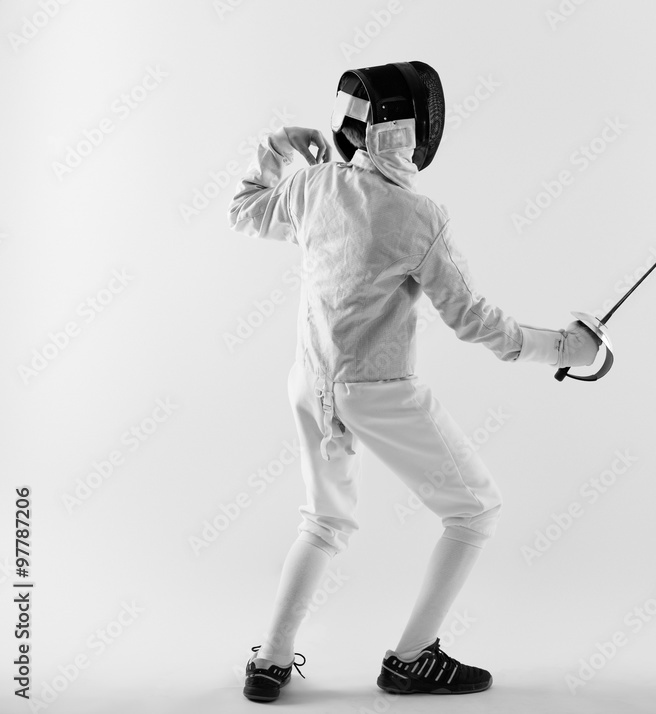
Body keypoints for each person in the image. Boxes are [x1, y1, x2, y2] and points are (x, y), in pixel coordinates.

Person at [228, 60, 599, 702]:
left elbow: (244, 210)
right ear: (406, 131)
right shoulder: (419, 216)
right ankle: (411, 659)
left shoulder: (313, 184)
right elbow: (476, 322)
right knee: (476, 509)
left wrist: (279, 145)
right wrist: (565, 347)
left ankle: (270, 663)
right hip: (377, 393)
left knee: (323, 520)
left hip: (308, 383)